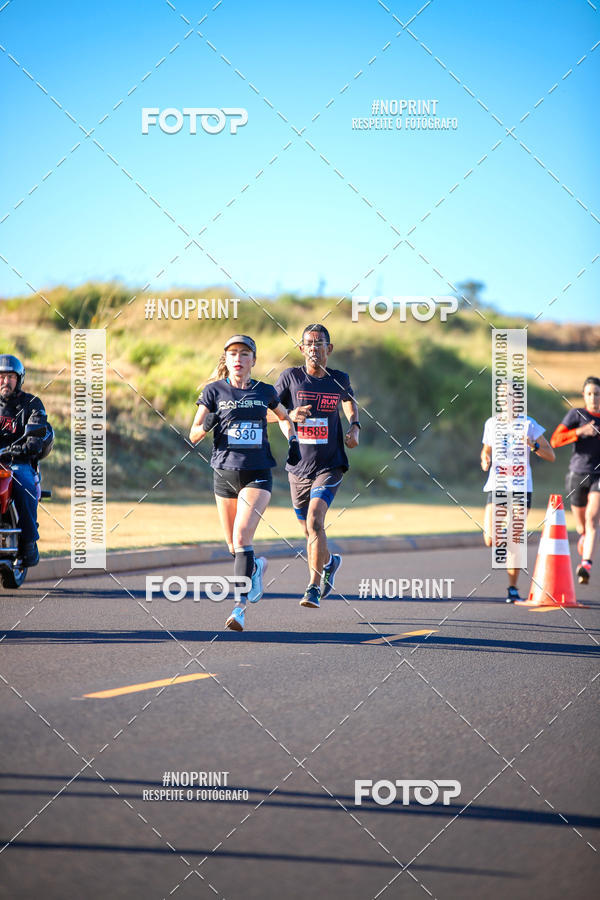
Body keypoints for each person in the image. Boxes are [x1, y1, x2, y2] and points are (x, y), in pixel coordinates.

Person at [189, 335, 299, 632]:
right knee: (233, 547)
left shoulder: (264, 391)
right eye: (233, 354)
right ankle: (257, 567)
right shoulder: (213, 391)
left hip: (257, 472)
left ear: (254, 360)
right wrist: (209, 422)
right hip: (224, 473)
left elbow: (284, 417)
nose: (238, 358)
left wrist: (293, 440)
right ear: (226, 359)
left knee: (241, 537)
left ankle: (239, 608)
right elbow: (194, 433)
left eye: (244, 353)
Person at [273, 324, 360, 609]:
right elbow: (267, 411)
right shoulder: (290, 377)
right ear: (301, 349)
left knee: (315, 521)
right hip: (298, 466)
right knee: (309, 530)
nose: (314, 348)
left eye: (319, 343)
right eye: (308, 343)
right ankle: (331, 561)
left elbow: (349, 402)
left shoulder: (339, 379)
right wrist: (290, 414)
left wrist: (354, 426)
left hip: (330, 465)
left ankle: (312, 587)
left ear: (329, 348)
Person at [481, 387, 555, 602]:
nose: (506, 401)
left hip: (522, 487)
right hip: (498, 485)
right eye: (502, 397)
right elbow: (486, 450)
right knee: (490, 539)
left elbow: (550, 455)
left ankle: (512, 588)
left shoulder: (529, 424)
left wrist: (533, 445)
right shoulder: (491, 423)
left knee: (514, 538)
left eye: (510, 397)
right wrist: (485, 460)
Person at [0, 354, 54, 567]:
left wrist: (27, 445)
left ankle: (28, 543)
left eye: (10, 376)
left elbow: (37, 432)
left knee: (23, 484)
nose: (5, 381)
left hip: (17, 460)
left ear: (19, 379)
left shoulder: (31, 403)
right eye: (1, 376)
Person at [550, 376, 600, 585]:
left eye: (597, 394)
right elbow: (555, 440)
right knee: (582, 526)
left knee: (592, 518)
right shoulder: (576, 415)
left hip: (598, 476)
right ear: (583, 395)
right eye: (589, 393)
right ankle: (583, 538)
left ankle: (586, 564)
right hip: (577, 475)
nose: (593, 398)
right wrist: (581, 431)